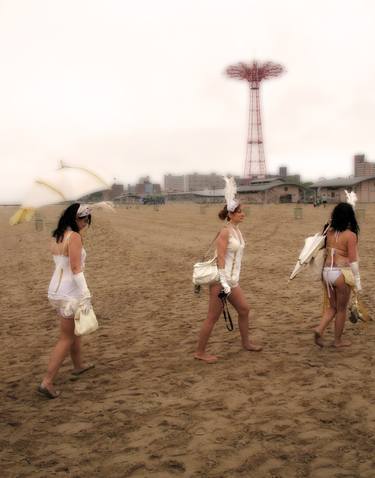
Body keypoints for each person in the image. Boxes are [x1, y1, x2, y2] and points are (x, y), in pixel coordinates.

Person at [194, 198, 262, 363]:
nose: (243, 214)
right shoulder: (225, 231)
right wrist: (224, 283)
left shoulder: (236, 230)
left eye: (242, 211)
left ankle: (246, 343)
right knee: (212, 317)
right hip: (221, 281)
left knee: (244, 310)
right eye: (239, 212)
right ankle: (200, 352)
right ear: (230, 214)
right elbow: (221, 259)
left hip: (232, 281)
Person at [38, 203, 95, 398]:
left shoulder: (58, 234)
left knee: (73, 330)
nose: (85, 222)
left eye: (87, 219)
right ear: (73, 218)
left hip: (56, 290)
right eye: (82, 218)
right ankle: (47, 381)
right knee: (66, 337)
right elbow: (76, 268)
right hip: (69, 292)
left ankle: (79, 366)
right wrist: (86, 293)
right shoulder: (74, 237)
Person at [314, 202, 361, 348]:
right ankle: (338, 341)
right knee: (341, 309)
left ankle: (319, 328)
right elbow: (353, 261)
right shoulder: (350, 235)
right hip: (341, 274)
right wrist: (358, 281)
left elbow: (318, 246)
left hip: (326, 273)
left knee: (332, 307)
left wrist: (328, 225)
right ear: (350, 217)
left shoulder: (328, 232)